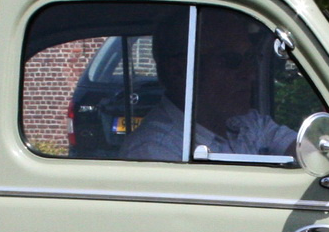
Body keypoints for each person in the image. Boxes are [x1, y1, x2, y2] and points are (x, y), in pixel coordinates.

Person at [121, 8, 298, 160]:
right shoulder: (156, 151)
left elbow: (305, 152)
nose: (250, 74)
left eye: (250, 58)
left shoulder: (246, 122)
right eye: (231, 60)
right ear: (179, 71)